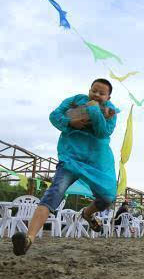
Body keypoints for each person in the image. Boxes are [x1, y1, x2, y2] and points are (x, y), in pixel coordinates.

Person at [12, 79, 119, 256]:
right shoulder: (75, 100)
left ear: (108, 96)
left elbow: (103, 132)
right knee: (54, 192)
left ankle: (87, 213)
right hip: (71, 157)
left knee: (107, 199)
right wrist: (70, 123)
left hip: (97, 161)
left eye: (102, 93)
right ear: (89, 89)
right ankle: (28, 239)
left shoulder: (111, 111)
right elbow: (55, 116)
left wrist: (94, 110)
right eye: (94, 91)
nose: (97, 95)